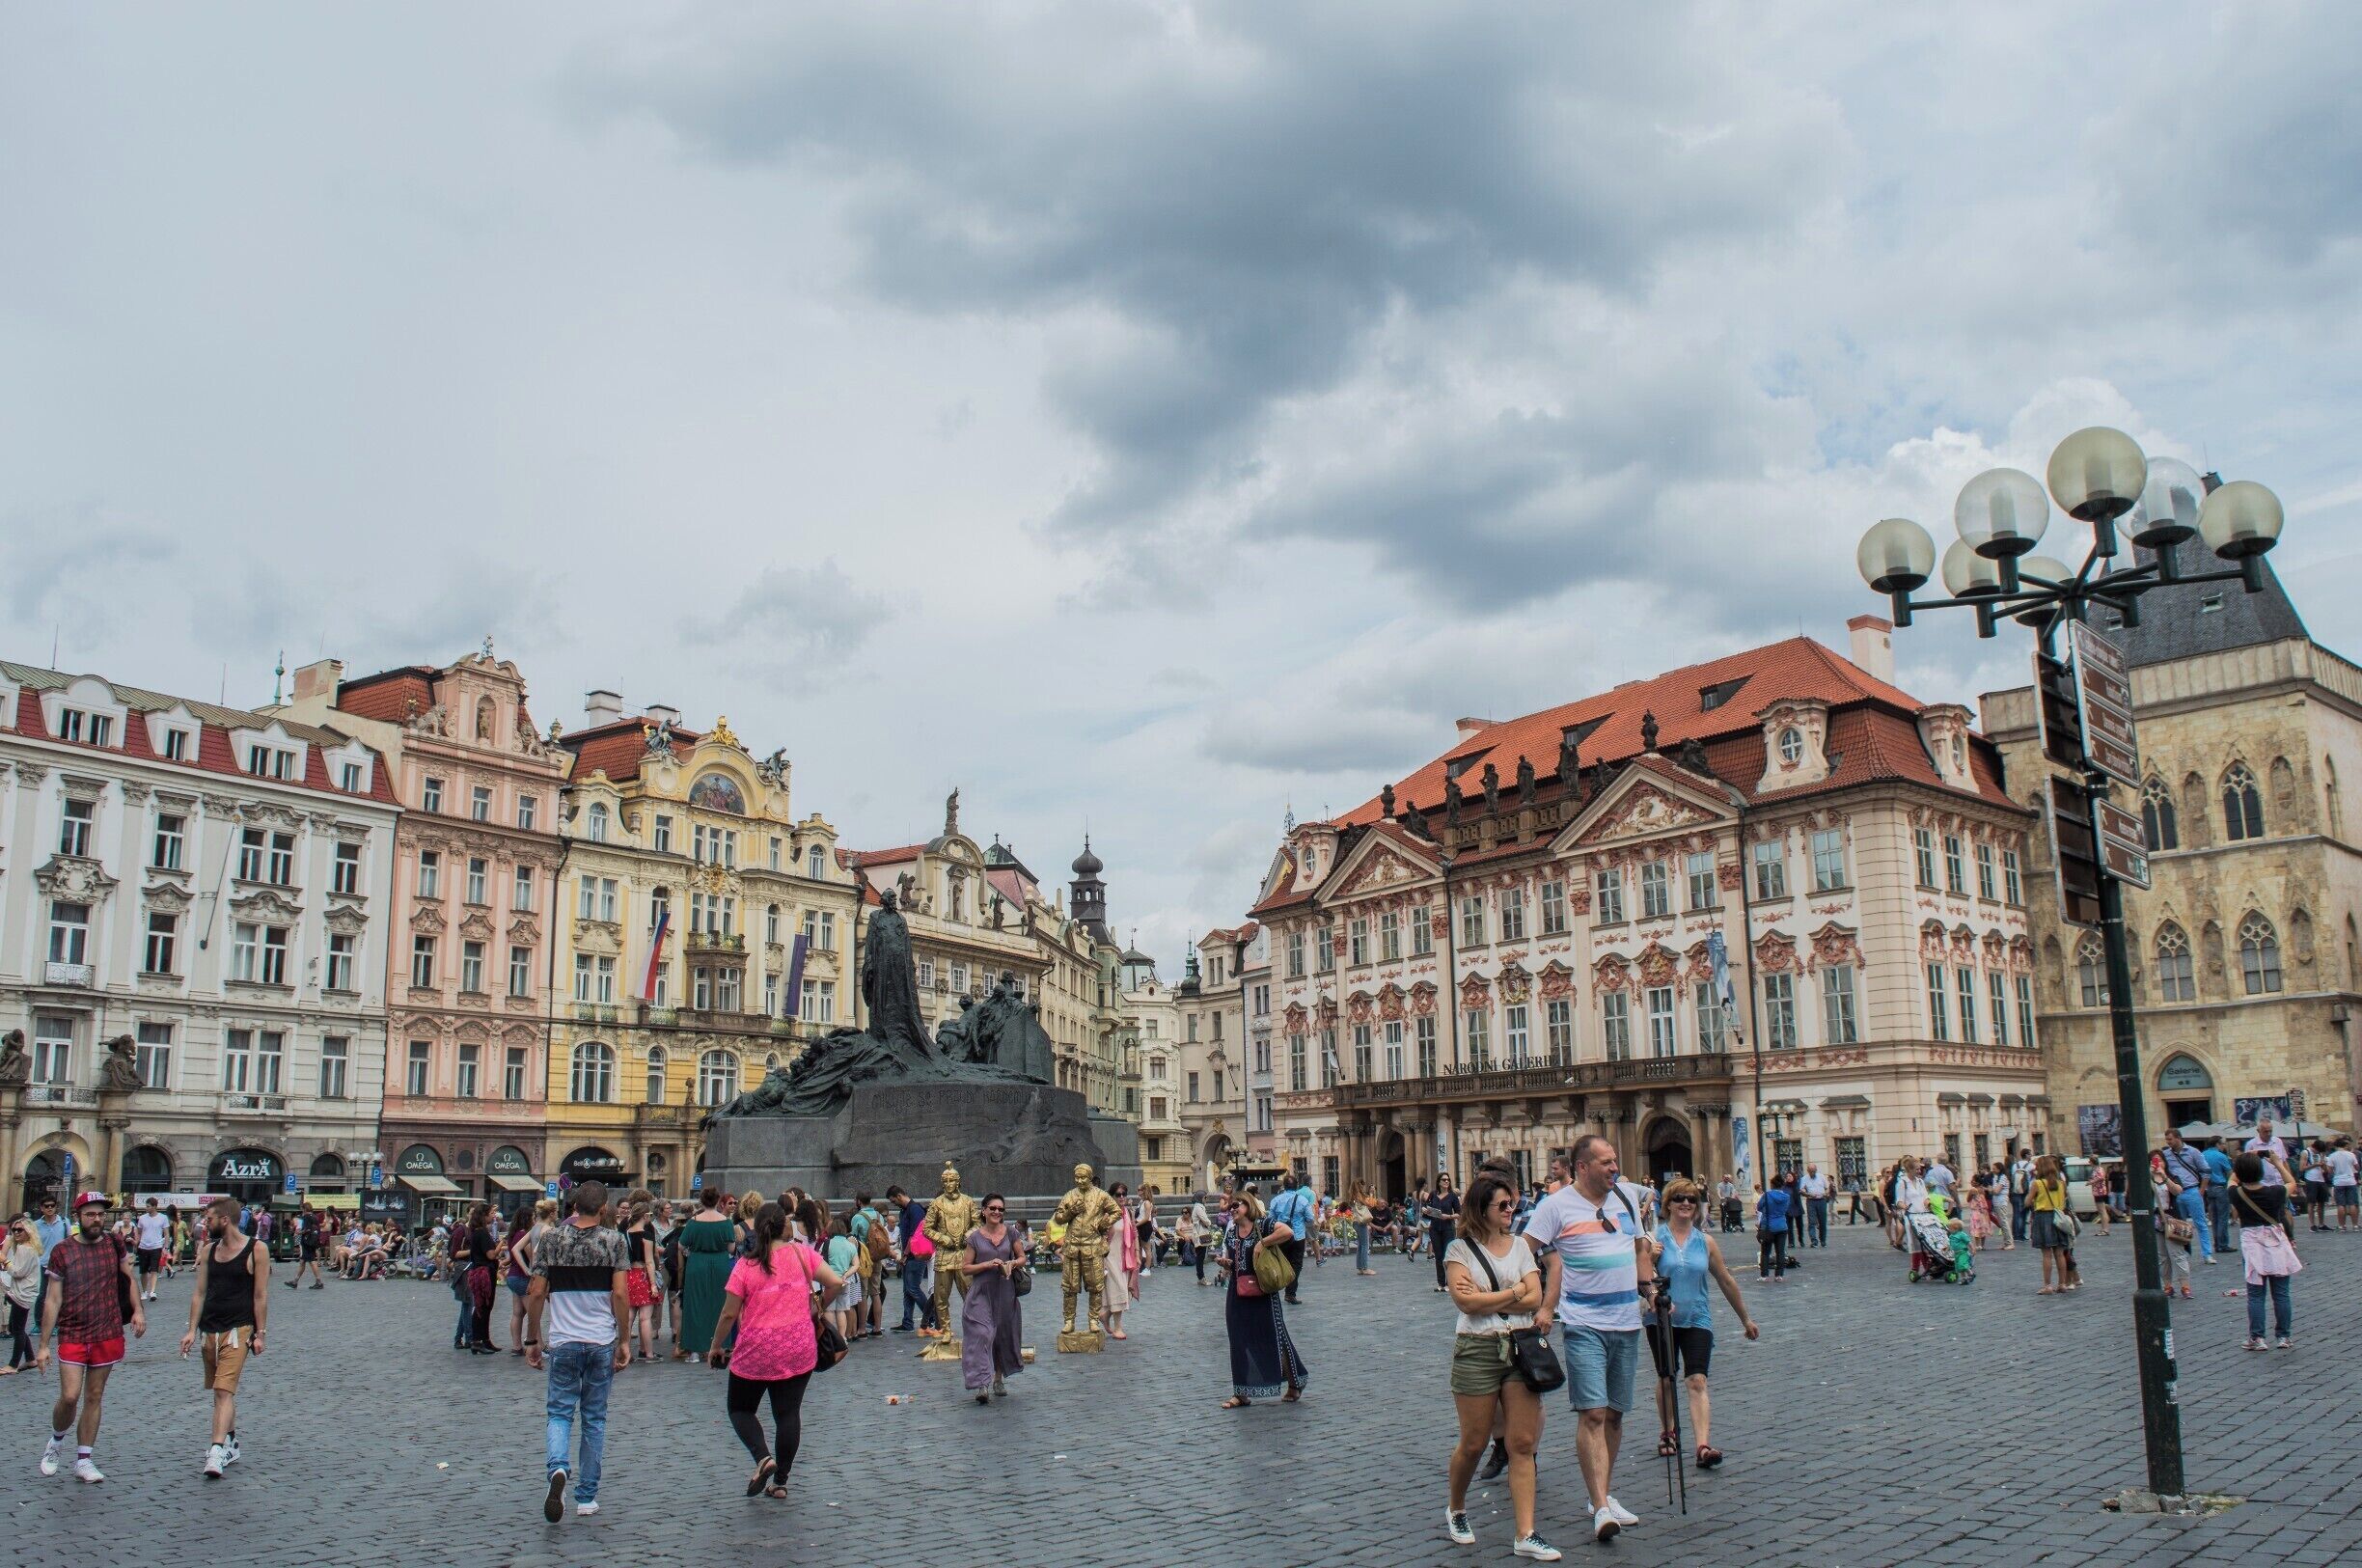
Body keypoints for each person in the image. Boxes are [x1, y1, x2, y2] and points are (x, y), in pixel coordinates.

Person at [1521, 1134, 1658, 1546]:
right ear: (1582, 1168)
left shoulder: (1627, 1199)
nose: (1614, 1168)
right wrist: (1538, 1300)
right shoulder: (1555, 1207)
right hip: (1583, 1323)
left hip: (1626, 1320)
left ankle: (1604, 1490)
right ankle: (1599, 1506)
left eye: (1615, 1160)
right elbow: (1522, 1251)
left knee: (1615, 1413)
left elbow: (1638, 1250)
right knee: (1593, 1413)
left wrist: (1650, 1291)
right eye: (1606, 1162)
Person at [1442, 1171, 1556, 1561]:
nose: (1511, 1210)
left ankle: (1525, 1533)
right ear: (1481, 1209)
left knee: (1522, 1444)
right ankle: (1456, 1507)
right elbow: (1466, 1305)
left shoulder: (1522, 1246)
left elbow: (1535, 1299)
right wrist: (1513, 1293)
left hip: (1519, 1349)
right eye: (1503, 1205)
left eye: (1513, 1204)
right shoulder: (1459, 1250)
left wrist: (1491, 1296)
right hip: (1476, 1350)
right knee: (1474, 1443)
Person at [711, 1201, 840, 1495]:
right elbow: (835, 1282)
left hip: (756, 1348)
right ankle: (781, 1482)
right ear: (786, 1226)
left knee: (740, 1408)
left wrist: (716, 1346)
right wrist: (813, 1311)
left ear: (757, 1229)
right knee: (788, 1413)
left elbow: (729, 1314)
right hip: (798, 1345)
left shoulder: (746, 1265)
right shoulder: (802, 1253)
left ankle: (763, 1457)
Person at [527, 1181, 630, 1521]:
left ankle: (558, 1469)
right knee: (594, 1418)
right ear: (603, 1209)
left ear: (574, 1206)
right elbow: (619, 1295)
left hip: (564, 1340)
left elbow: (537, 1291)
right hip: (600, 1341)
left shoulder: (552, 1238)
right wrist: (625, 1340)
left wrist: (533, 1339)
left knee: (559, 1413)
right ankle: (586, 1496)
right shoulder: (614, 1241)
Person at [1646, 1178, 1758, 1472]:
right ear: (1667, 1203)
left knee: (1697, 1380)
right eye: (1680, 1198)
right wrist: (1650, 1260)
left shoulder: (1705, 1242)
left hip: (1697, 1317)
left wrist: (1745, 1318)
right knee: (1666, 1376)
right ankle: (1668, 1431)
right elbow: (1642, 1280)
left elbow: (1725, 1280)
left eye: (1692, 1199)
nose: (1686, 1204)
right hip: (1661, 1319)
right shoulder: (1654, 1239)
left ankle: (1702, 1446)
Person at [37, 1193, 147, 1482]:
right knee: (70, 1396)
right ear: (78, 1217)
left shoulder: (114, 1243)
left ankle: (84, 1459)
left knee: (94, 1396)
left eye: (100, 1214)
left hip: (107, 1330)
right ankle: (56, 1441)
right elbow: (52, 1299)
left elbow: (128, 1277)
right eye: (90, 1214)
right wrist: (43, 1345)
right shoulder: (63, 1251)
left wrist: (138, 1311)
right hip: (73, 1331)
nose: (97, 1219)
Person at [179, 1196, 267, 1478]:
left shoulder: (257, 1249)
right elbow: (200, 1293)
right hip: (210, 1330)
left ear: (225, 1220)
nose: (206, 1223)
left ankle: (216, 1451)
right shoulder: (208, 1251)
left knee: (222, 1391)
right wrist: (192, 1330)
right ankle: (231, 1441)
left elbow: (260, 1295)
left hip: (239, 1330)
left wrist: (260, 1333)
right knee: (223, 1390)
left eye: (209, 1219)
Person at [1215, 1192, 1306, 1409]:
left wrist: (1262, 1243)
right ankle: (1241, 1392)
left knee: (1276, 1336)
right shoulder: (1231, 1232)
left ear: (1248, 1205)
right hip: (1238, 1291)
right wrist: (1225, 1263)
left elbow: (1287, 1231)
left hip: (1264, 1291)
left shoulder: (1263, 1224)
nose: (1233, 1210)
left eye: (1236, 1205)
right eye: (1230, 1208)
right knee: (1238, 1339)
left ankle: (1295, 1381)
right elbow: (1235, 1262)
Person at [2227, 1151, 2299, 1350]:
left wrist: (2245, 1159)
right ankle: (2284, 1337)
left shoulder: (2237, 1193)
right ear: (2260, 1171)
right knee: (2282, 1294)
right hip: (2275, 1242)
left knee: (2256, 1294)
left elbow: (2232, 1180)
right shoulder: (2275, 1192)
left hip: (2252, 1244)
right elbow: (2292, 1183)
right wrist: (2277, 1162)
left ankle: (2257, 1338)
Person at [957, 1194, 1024, 1404]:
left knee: (1002, 1335)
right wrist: (986, 1265)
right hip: (981, 1293)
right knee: (983, 1334)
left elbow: (1022, 1257)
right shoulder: (975, 1238)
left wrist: (1012, 1264)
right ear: (984, 1210)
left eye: (1001, 1209)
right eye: (993, 1208)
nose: (997, 1212)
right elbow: (965, 1268)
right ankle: (982, 1383)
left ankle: (998, 1379)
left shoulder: (1011, 1232)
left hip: (1005, 1291)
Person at [676, 1188, 738, 1365]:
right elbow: (731, 1248)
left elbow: (681, 1246)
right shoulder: (725, 1222)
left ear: (702, 1201)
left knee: (695, 1306)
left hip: (697, 1264)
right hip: (719, 1264)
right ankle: (717, 1345)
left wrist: (692, 1252)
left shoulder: (694, 1222)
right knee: (719, 1305)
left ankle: (694, 1350)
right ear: (718, 1201)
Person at [2156, 1130, 2214, 1266]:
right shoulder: (2166, 1154)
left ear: (2178, 1138)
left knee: (2200, 1223)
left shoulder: (2193, 1152)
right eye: (2166, 1139)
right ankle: (2183, 1253)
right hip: (2175, 1192)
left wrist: (2201, 1190)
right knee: (2178, 1225)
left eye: (2170, 1139)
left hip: (2192, 1190)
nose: (2168, 1142)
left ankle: (2207, 1254)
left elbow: (2206, 1170)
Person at [889, 1185, 936, 1334]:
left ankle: (931, 1317)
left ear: (898, 1195)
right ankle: (907, 1322)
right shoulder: (905, 1210)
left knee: (912, 1288)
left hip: (916, 1255)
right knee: (907, 1290)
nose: (893, 1203)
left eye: (893, 1200)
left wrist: (905, 1255)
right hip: (910, 1255)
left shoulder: (914, 1210)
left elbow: (915, 1235)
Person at [509, 1200, 554, 1356]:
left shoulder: (533, 1229)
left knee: (517, 1312)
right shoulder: (548, 1230)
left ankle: (517, 1346)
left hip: (524, 1275)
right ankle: (540, 1346)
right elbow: (536, 1251)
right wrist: (532, 1268)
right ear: (553, 1214)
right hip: (542, 1275)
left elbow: (515, 1249)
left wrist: (529, 1269)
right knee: (536, 1312)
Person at [621, 1194, 661, 1363]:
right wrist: (653, 1284)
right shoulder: (647, 1235)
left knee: (628, 1317)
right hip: (642, 1276)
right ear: (645, 1216)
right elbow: (650, 1261)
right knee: (645, 1318)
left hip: (628, 1275)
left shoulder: (626, 1233)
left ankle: (625, 1352)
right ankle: (649, 1354)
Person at [1265, 1173, 1315, 1306]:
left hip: (1281, 1236)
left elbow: (1270, 1219)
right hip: (1298, 1236)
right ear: (1296, 1185)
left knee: (1279, 1262)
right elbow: (1311, 1218)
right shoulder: (1303, 1200)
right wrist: (1300, 1220)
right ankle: (1290, 1293)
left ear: (1284, 1186)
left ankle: (1274, 1289)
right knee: (1296, 1265)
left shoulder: (1276, 1200)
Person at [2029, 1155, 2074, 1294]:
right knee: (2060, 1253)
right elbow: (2065, 1200)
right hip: (2059, 1217)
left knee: (2047, 1254)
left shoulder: (2038, 1184)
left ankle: (2047, 1285)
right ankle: (2062, 1284)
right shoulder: (2061, 1183)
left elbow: (2027, 1201)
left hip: (2043, 1217)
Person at [1100, 1182, 1138, 1340]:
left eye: (1124, 1194)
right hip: (1110, 1256)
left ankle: (1105, 1314)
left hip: (1125, 1257)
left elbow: (1134, 1234)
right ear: (1112, 1196)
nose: (1122, 1197)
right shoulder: (1106, 1214)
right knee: (1119, 1290)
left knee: (1124, 1290)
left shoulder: (1127, 1213)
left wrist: (1137, 1254)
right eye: (1118, 1194)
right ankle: (1117, 1327)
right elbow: (1100, 1236)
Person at [4, 1220, 42, 1374]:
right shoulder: (25, 1247)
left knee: (18, 1329)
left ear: (29, 1231)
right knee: (14, 1328)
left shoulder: (25, 1249)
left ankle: (13, 1365)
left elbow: (18, 1272)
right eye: (14, 1230)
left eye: (20, 1230)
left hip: (23, 1293)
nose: (17, 1233)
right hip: (23, 1292)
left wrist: (5, 1262)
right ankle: (31, 1359)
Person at [823, 1217, 863, 1346]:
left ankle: (831, 1338)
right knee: (841, 1310)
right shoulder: (850, 1245)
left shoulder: (828, 1243)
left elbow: (820, 1260)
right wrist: (846, 1275)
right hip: (845, 1281)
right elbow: (856, 1265)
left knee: (829, 1310)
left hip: (830, 1280)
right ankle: (842, 1337)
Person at [1753, 1173, 1792, 1281]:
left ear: (1772, 1185)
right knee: (1780, 1252)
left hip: (1768, 1226)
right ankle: (1779, 1275)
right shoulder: (1786, 1197)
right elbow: (1785, 1209)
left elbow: (1759, 1207)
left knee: (1765, 1252)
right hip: (1782, 1226)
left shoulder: (1767, 1195)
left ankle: (1764, 1275)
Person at [1426, 1176, 1461, 1293]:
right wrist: (1426, 1211)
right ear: (1439, 1182)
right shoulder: (1433, 1194)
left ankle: (1449, 1283)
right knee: (1438, 1256)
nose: (1446, 1181)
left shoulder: (1452, 1196)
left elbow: (1459, 1213)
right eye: (1444, 1180)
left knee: (1448, 1256)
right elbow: (1426, 1208)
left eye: (1448, 1180)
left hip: (1448, 1228)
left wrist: (1449, 1216)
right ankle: (1441, 1283)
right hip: (1434, 1228)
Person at [131, 1197, 170, 1303]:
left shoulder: (163, 1218)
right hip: (143, 1247)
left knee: (154, 1270)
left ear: (154, 1207)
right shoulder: (142, 1218)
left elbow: (166, 1234)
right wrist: (136, 1244)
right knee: (143, 1271)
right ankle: (144, 1292)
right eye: (146, 1206)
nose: (146, 1208)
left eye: (148, 1206)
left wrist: (165, 1248)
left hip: (156, 1247)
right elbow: (138, 1232)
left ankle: (152, 1291)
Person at [2203, 1137, 2237, 1254]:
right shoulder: (2221, 1156)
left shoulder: (2203, 1154)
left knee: (2215, 1218)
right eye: (2223, 1144)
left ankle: (2217, 1244)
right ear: (2217, 1144)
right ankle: (2223, 1244)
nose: (2224, 1146)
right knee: (2223, 1218)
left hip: (2208, 1188)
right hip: (2220, 1188)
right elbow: (2230, 1173)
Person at [2244, 1117, 2297, 1189]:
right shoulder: (2251, 1145)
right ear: (2258, 1131)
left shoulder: (2278, 1141)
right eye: (2265, 1131)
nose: (2269, 1134)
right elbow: (2246, 1168)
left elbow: (2284, 1162)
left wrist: (2290, 1182)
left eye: (2270, 1131)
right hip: (2263, 1187)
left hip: (2281, 1185)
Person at [2298, 1142, 2331, 1232]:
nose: (2318, 1152)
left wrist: (2323, 1163)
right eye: (2318, 1151)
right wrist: (2315, 1165)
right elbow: (2301, 1168)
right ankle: (2312, 1225)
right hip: (2310, 1179)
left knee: (2322, 1203)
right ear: (2315, 1147)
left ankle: (2321, 1224)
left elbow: (2326, 1170)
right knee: (2311, 1203)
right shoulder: (2306, 1152)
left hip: (2321, 1180)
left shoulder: (2321, 1153)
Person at [2329, 1138, 2359, 1233]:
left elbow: (2329, 1170)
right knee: (2352, 1204)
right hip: (2350, 1180)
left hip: (2338, 1181)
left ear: (2336, 1146)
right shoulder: (2351, 1155)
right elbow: (2357, 1167)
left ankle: (2342, 1226)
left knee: (2341, 1205)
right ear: (2345, 1145)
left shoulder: (2332, 1156)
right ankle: (2355, 1226)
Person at [1797, 1166, 1830, 1249]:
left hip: (1821, 1200)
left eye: (1814, 1171)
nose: (1812, 1173)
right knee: (1812, 1222)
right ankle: (1814, 1241)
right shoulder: (1804, 1178)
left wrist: (1826, 1193)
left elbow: (1827, 1188)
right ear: (1808, 1171)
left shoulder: (1821, 1177)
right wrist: (1808, 1194)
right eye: (1811, 1171)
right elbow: (1801, 1190)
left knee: (1823, 1221)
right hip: (1811, 1201)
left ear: (1816, 1170)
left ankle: (1823, 1241)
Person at [2088, 1162, 2112, 1237]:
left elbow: (2101, 1177)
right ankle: (2103, 1228)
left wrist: (2091, 1182)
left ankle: (2105, 1229)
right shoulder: (2096, 1169)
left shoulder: (2099, 1169)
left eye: (2090, 1161)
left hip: (2100, 1192)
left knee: (2102, 1211)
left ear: (2092, 1162)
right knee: (2101, 1211)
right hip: (2097, 1192)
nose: (2089, 1163)